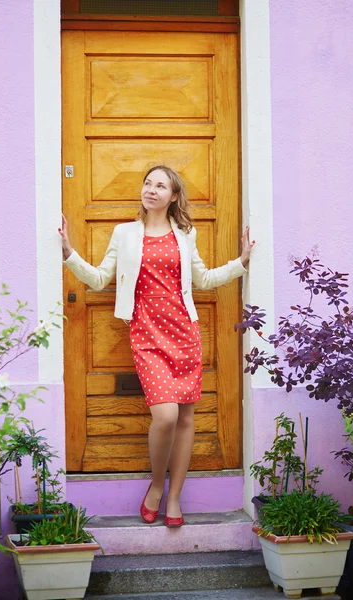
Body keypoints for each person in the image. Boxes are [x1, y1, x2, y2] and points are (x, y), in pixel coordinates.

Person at [59, 165, 254, 527]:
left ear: (174, 196)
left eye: (160, 185)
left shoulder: (186, 233)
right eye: (148, 183)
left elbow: (204, 279)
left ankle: (175, 497)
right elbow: (102, 279)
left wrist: (240, 265)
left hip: (184, 333)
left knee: (186, 418)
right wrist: (69, 252)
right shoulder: (125, 234)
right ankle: (156, 485)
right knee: (164, 415)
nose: (151, 190)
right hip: (146, 336)